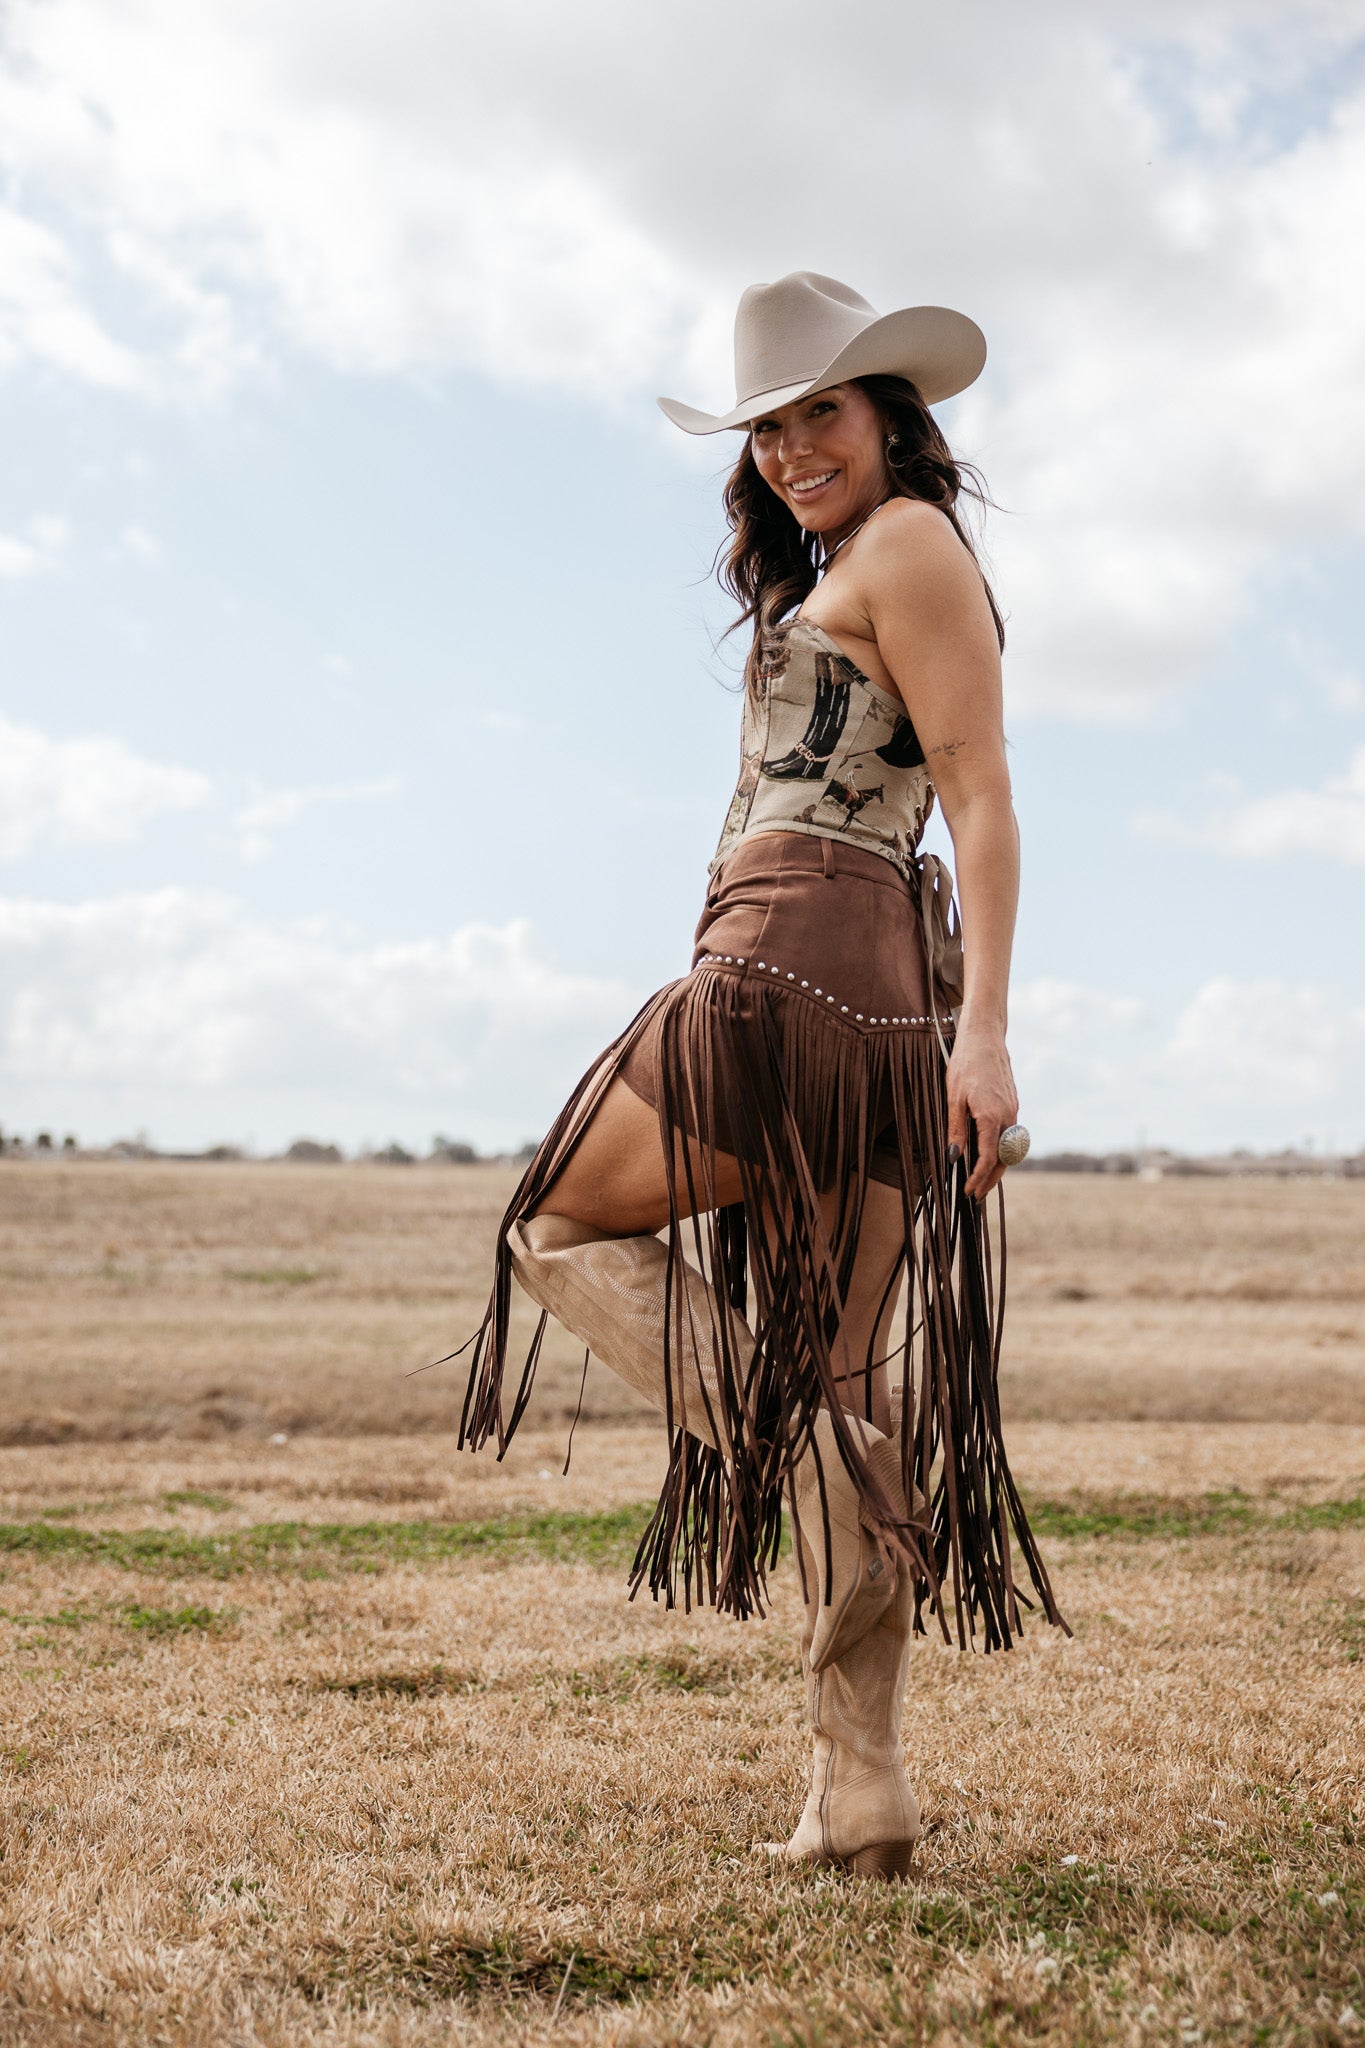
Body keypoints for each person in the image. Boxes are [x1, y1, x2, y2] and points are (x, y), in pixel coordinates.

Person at [457, 271, 1065, 1880]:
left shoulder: (910, 545)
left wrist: (992, 1033)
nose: (796, 448)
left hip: (791, 962)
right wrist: (953, 1029)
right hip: (873, 1002)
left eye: (823, 414)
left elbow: (985, 795)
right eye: (772, 426)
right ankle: (856, 1792)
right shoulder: (863, 560)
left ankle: (784, 1437)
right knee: (856, 1391)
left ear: (891, 419)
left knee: (557, 1226)